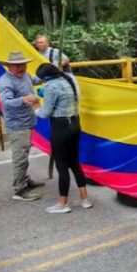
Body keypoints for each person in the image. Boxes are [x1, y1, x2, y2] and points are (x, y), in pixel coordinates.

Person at [32, 63, 91, 213]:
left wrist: (35, 107)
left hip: (61, 126)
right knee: (74, 162)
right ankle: (84, 199)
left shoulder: (51, 86)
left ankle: (63, 203)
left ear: (46, 77)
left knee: (62, 165)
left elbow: (45, 113)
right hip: (75, 123)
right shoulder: (70, 78)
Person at [0, 51, 44, 201]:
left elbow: (35, 80)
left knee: (24, 154)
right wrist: (23, 100)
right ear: (9, 66)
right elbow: (5, 103)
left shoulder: (26, 75)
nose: (20, 67)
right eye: (16, 65)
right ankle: (19, 189)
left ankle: (25, 180)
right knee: (20, 158)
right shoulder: (5, 81)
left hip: (28, 121)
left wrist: (49, 74)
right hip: (17, 125)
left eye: (22, 64)